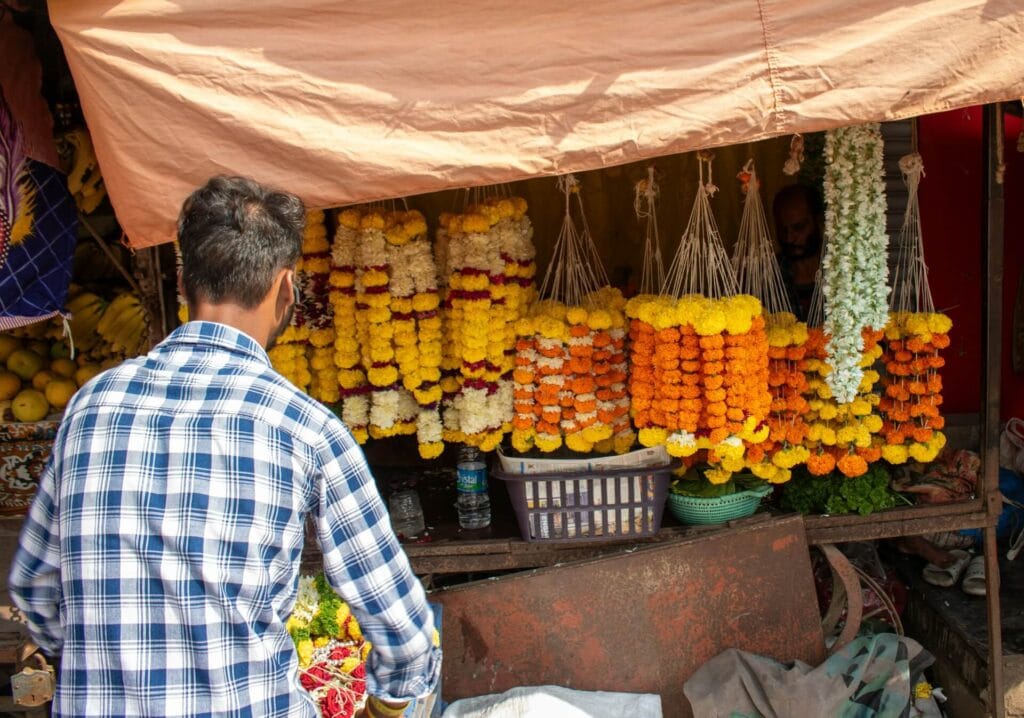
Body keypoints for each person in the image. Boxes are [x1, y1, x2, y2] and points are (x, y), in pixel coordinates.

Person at [8, 176, 440, 716]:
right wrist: (388, 707)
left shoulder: (91, 405)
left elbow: (34, 588)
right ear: (287, 288)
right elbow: (403, 631)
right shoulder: (305, 427)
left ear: (183, 281)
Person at [772, 183, 824, 321]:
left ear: (818, 221)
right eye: (783, 229)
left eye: (799, 227)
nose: (789, 238)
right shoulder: (768, 275)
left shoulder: (842, 273)